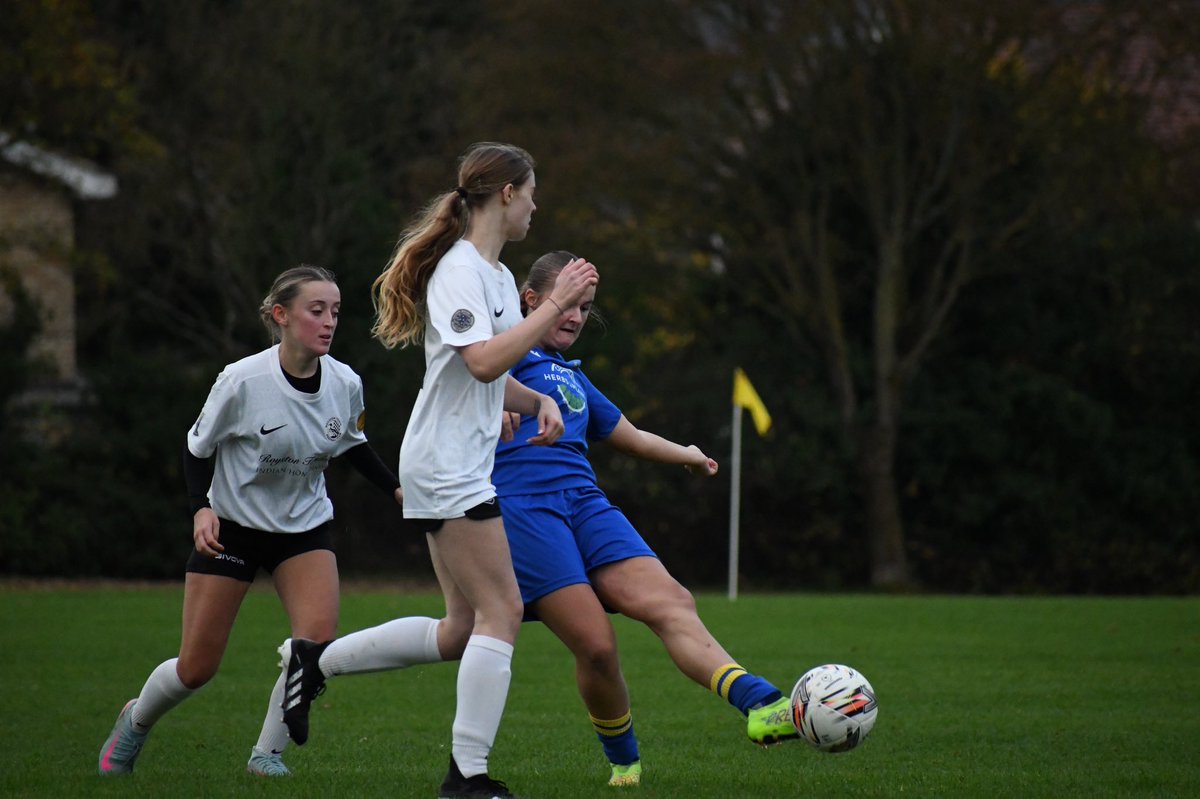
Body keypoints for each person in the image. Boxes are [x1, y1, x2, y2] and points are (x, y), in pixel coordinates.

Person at [273, 143, 599, 799]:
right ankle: (466, 777)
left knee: (460, 630)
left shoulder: (497, 277)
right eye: (532, 192)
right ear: (506, 193)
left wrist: (534, 401)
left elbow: (490, 374)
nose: (536, 206)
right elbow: (480, 361)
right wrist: (553, 304)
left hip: (454, 461)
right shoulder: (459, 271)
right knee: (504, 609)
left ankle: (315, 660)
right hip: (447, 464)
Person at [491, 250, 799, 787]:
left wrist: (688, 453)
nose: (576, 316)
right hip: (527, 509)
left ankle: (760, 702)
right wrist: (492, 403)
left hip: (586, 504)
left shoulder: (572, 376)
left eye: (586, 307)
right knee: (597, 646)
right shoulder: (503, 352)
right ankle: (625, 763)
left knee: (671, 601)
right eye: (568, 302)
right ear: (530, 300)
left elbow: (629, 435)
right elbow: (465, 381)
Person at [97, 265, 405, 777]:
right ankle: (136, 720)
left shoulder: (345, 382)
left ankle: (266, 755)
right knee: (196, 668)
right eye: (316, 310)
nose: (329, 321)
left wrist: (397, 489)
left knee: (314, 645)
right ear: (281, 315)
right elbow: (197, 448)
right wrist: (200, 508)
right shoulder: (242, 380)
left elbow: (353, 446)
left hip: (304, 529)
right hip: (233, 531)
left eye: (335, 311)